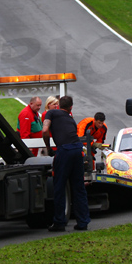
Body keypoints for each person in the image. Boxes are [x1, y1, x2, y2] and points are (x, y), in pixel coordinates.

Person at [43, 95, 91, 232]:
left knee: (59, 186)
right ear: (71, 108)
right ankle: (83, 222)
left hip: (64, 151)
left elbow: (45, 130)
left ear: (58, 106)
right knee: (79, 187)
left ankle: (59, 222)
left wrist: (48, 147)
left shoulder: (51, 113)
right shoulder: (71, 119)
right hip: (77, 150)